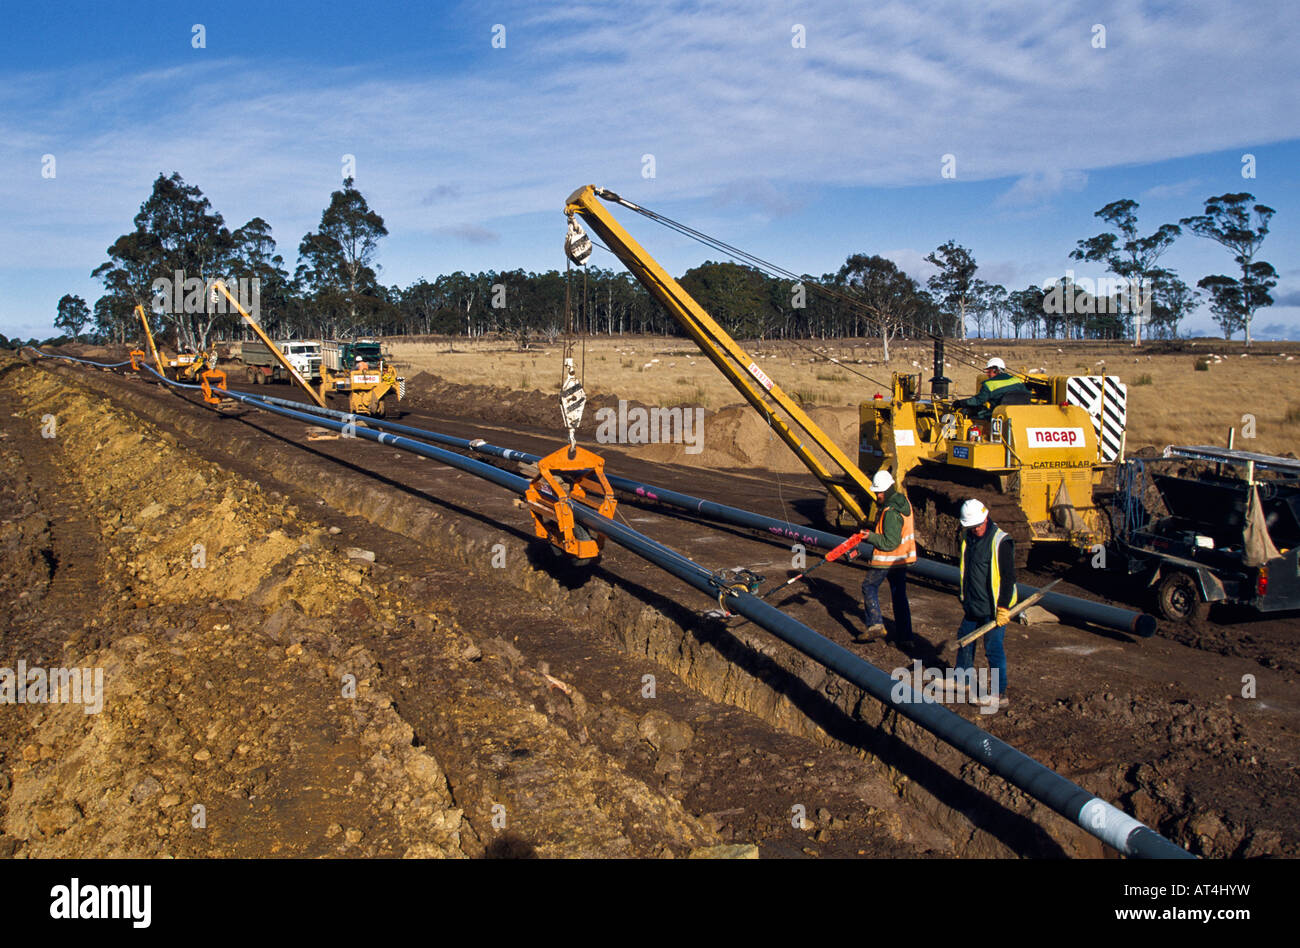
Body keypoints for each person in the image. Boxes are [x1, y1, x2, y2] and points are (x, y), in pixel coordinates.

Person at [954, 499, 1016, 707]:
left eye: (979, 525)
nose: (977, 529)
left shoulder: (1000, 542)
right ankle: (962, 680)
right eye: (972, 527)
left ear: (986, 519)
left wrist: (1004, 607)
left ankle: (999, 694)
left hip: (994, 608)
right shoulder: (967, 538)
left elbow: (1008, 578)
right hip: (974, 603)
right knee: (965, 638)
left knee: (993, 648)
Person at [859, 469, 916, 644]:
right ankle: (906, 638)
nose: (877, 497)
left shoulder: (891, 512)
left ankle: (875, 625)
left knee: (868, 586)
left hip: (887, 559)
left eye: (878, 493)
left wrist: (870, 536)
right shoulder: (903, 501)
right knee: (899, 596)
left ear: (886, 491)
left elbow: (890, 542)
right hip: (901, 560)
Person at [959, 357, 1030, 420]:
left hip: (999, 417)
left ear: (996, 370)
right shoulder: (1017, 380)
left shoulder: (989, 384)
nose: (987, 374)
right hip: (1020, 415)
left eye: (989, 371)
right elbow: (1027, 395)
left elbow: (977, 401)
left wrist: (961, 403)